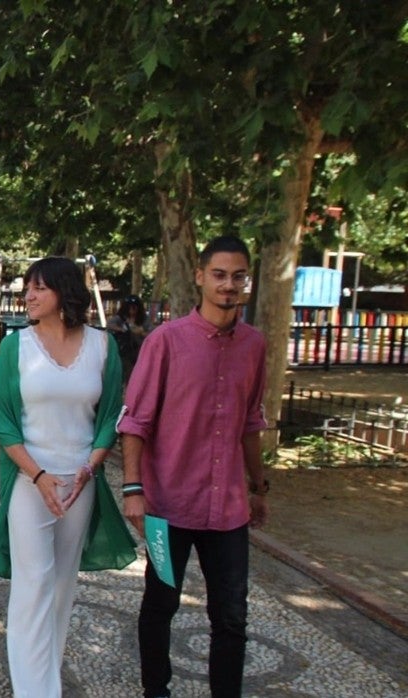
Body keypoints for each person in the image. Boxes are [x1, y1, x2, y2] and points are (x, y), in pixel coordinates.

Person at [119, 235, 269, 698]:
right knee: (160, 604)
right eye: (219, 275)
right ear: (201, 277)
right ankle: (155, 692)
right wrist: (133, 489)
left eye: (238, 276)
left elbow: (251, 421)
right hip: (169, 505)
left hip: (228, 510)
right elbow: (136, 421)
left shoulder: (255, 345)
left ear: (247, 281)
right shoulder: (166, 342)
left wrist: (259, 485)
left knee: (231, 614)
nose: (228, 285)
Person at [0, 257, 136, 697]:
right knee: (32, 587)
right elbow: (6, 422)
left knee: (62, 589)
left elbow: (110, 416)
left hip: (80, 482)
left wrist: (90, 467)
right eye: (26, 287)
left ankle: (45, 685)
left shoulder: (103, 347)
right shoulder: (16, 347)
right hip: (31, 483)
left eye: (38, 288)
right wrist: (39, 475)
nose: (27, 295)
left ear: (64, 294)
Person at [106, 295, 153, 375]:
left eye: (134, 307)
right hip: (124, 351)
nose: (132, 310)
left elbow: (151, 334)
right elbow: (109, 324)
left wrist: (141, 332)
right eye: (129, 307)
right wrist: (123, 329)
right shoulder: (120, 318)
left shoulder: (144, 319)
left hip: (140, 350)